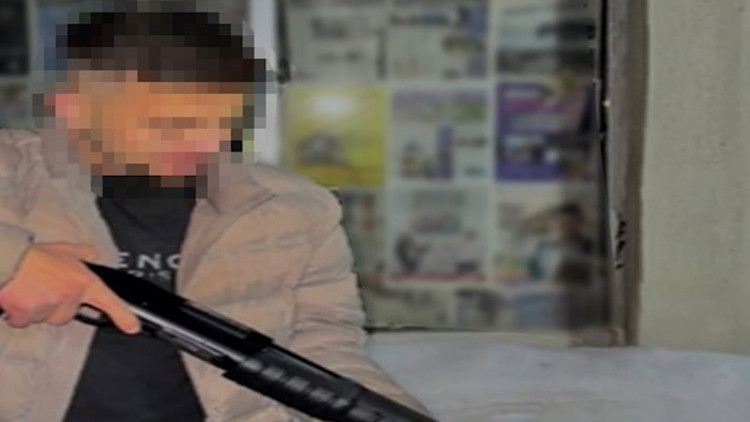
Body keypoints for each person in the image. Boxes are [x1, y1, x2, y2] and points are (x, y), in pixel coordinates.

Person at [0, 2, 430, 421]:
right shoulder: (11, 171)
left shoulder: (297, 209)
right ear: (72, 109)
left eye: (224, 125)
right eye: (173, 126)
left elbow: (325, 350)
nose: (206, 148)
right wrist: (14, 261)